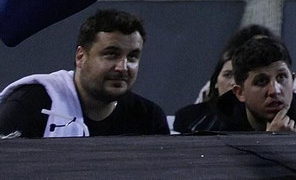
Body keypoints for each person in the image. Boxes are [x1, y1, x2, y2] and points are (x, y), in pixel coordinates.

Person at [0, 9, 169, 138]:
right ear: (80, 57)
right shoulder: (30, 105)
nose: (122, 67)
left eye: (132, 57)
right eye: (111, 54)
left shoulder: (149, 118)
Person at [173, 52, 236, 133]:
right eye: (227, 75)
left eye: (239, 76)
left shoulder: (255, 119)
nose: (234, 82)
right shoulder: (187, 117)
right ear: (215, 81)